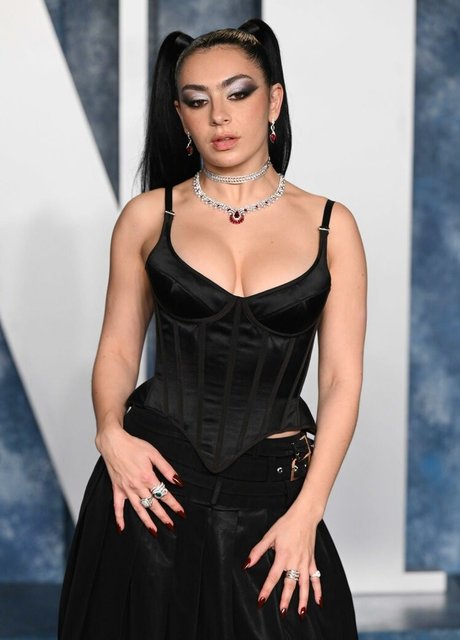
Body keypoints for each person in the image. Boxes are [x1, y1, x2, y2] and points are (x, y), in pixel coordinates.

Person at [58, 18, 366, 640]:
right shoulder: (149, 217)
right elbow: (117, 349)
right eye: (197, 102)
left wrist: (308, 511)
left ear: (273, 101)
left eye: (238, 93)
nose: (219, 116)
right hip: (152, 492)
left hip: (273, 499)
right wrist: (110, 433)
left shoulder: (333, 226)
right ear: (180, 115)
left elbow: (340, 381)